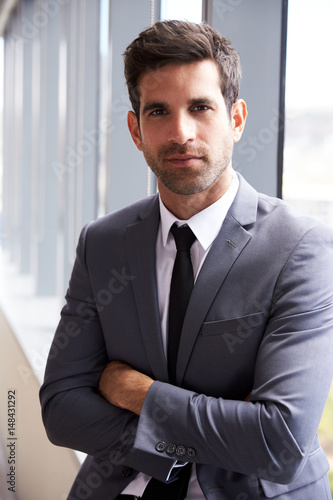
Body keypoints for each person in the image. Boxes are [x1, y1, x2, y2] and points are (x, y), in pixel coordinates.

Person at [40, 20, 333, 500]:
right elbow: (61, 408)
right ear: (135, 130)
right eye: (159, 111)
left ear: (236, 119)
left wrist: (135, 392)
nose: (181, 132)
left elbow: (279, 441)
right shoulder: (103, 242)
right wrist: (198, 437)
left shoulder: (301, 248)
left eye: (200, 107)